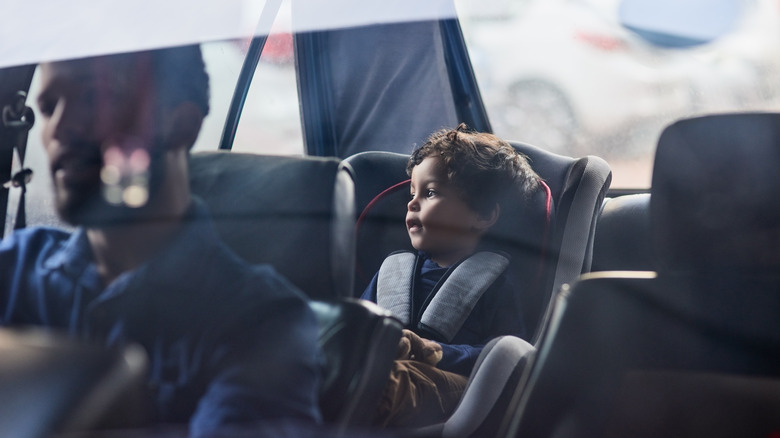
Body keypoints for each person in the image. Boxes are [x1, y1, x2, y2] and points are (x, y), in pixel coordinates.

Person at [0, 46, 323, 436]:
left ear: (181, 125)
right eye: (49, 106)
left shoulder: (264, 322)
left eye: (93, 98)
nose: (59, 127)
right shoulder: (12, 269)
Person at [361, 123, 541, 427]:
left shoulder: (493, 279)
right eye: (413, 191)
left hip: (453, 383)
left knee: (385, 382)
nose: (412, 202)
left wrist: (435, 351)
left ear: (483, 216)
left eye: (430, 193)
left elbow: (504, 356)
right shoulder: (391, 270)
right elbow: (359, 322)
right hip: (382, 367)